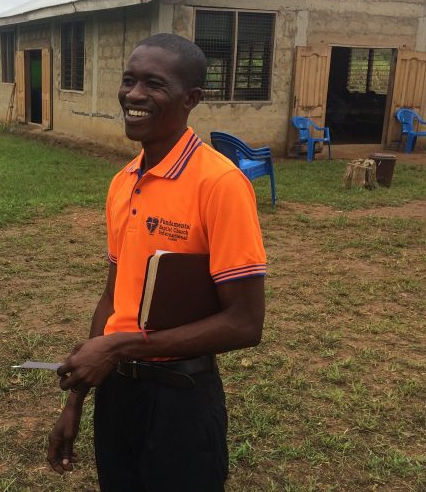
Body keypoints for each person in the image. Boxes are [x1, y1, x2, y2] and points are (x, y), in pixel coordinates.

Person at [47, 34, 266, 491]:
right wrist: (76, 403)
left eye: (154, 84)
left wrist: (119, 347)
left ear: (191, 99)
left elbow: (245, 323)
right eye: (129, 80)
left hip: (181, 402)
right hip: (117, 396)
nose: (134, 95)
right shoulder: (123, 182)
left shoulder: (220, 184)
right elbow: (112, 298)